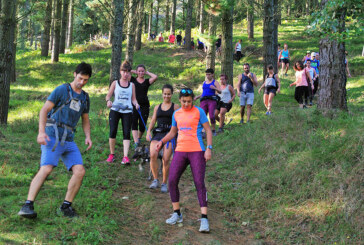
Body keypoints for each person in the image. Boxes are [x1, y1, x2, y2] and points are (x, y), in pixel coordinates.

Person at [18, 62, 93, 219]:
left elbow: (85, 119)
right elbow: (44, 110)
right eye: (80, 78)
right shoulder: (62, 90)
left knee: (80, 171)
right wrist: (40, 133)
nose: (82, 82)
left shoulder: (85, 97)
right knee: (47, 168)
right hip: (52, 135)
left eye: (85, 80)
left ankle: (66, 207)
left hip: (69, 139)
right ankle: (27, 205)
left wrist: (87, 136)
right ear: (74, 74)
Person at [155, 88, 212, 233]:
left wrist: (209, 148)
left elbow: (208, 130)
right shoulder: (176, 113)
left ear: (193, 100)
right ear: (179, 100)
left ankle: (204, 218)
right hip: (180, 151)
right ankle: (177, 213)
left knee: (199, 182)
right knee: (172, 180)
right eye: (184, 101)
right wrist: (161, 141)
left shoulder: (199, 112)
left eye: (189, 101)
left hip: (197, 151)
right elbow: (173, 132)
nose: (186, 104)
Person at [146, 84, 179, 193]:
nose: (166, 96)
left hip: (169, 134)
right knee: (153, 155)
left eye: (169, 94)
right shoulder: (157, 107)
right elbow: (153, 120)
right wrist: (148, 131)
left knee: (165, 159)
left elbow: (180, 121)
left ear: (172, 94)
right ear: (162, 94)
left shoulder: (175, 107)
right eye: (165, 94)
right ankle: (155, 180)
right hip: (158, 134)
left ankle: (164, 183)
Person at [105, 61, 140, 164]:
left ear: (130, 73)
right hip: (115, 110)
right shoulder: (115, 83)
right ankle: (112, 154)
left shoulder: (132, 85)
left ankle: (125, 157)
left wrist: (136, 104)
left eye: (128, 72)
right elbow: (108, 96)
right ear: (120, 72)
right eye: (124, 71)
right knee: (113, 131)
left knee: (126, 133)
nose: (126, 74)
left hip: (127, 111)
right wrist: (108, 101)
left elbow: (133, 99)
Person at [130, 64, 158, 148]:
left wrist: (147, 73)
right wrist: (134, 72)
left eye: (142, 71)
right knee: (134, 123)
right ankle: (136, 142)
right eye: (139, 71)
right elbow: (126, 72)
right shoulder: (132, 80)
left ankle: (139, 138)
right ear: (136, 71)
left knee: (142, 124)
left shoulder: (147, 81)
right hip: (134, 104)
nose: (141, 72)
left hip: (144, 105)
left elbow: (155, 77)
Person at [194, 68, 221, 136]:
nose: (207, 76)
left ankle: (213, 130)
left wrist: (215, 88)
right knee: (202, 115)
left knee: (211, 116)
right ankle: (203, 131)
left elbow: (220, 91)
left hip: (212, 100)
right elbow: (203, 93)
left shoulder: (215, 82)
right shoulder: (204, 82)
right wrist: (197, 97)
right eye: (206, 74)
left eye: (209, 74)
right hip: (204, 100)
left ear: (212, 74)